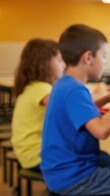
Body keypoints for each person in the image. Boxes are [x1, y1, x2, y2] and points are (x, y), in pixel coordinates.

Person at [41, 24, 110, 195]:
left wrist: (107, 99)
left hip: (58, 168)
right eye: (104, 55)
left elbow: (79, 113)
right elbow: (101, 130)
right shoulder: (75, 89)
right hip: (72, 175)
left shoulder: (64, 84)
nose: (105, 61)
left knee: (107, 160)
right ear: (88, 57)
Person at [11, 38, 65, 172]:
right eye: (59, 60)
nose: (63, 65)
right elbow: (67, 109)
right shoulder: (41, 88)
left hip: (28, 153)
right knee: (98, 159)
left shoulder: (32, 86)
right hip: (37, 155)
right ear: (44, 63)